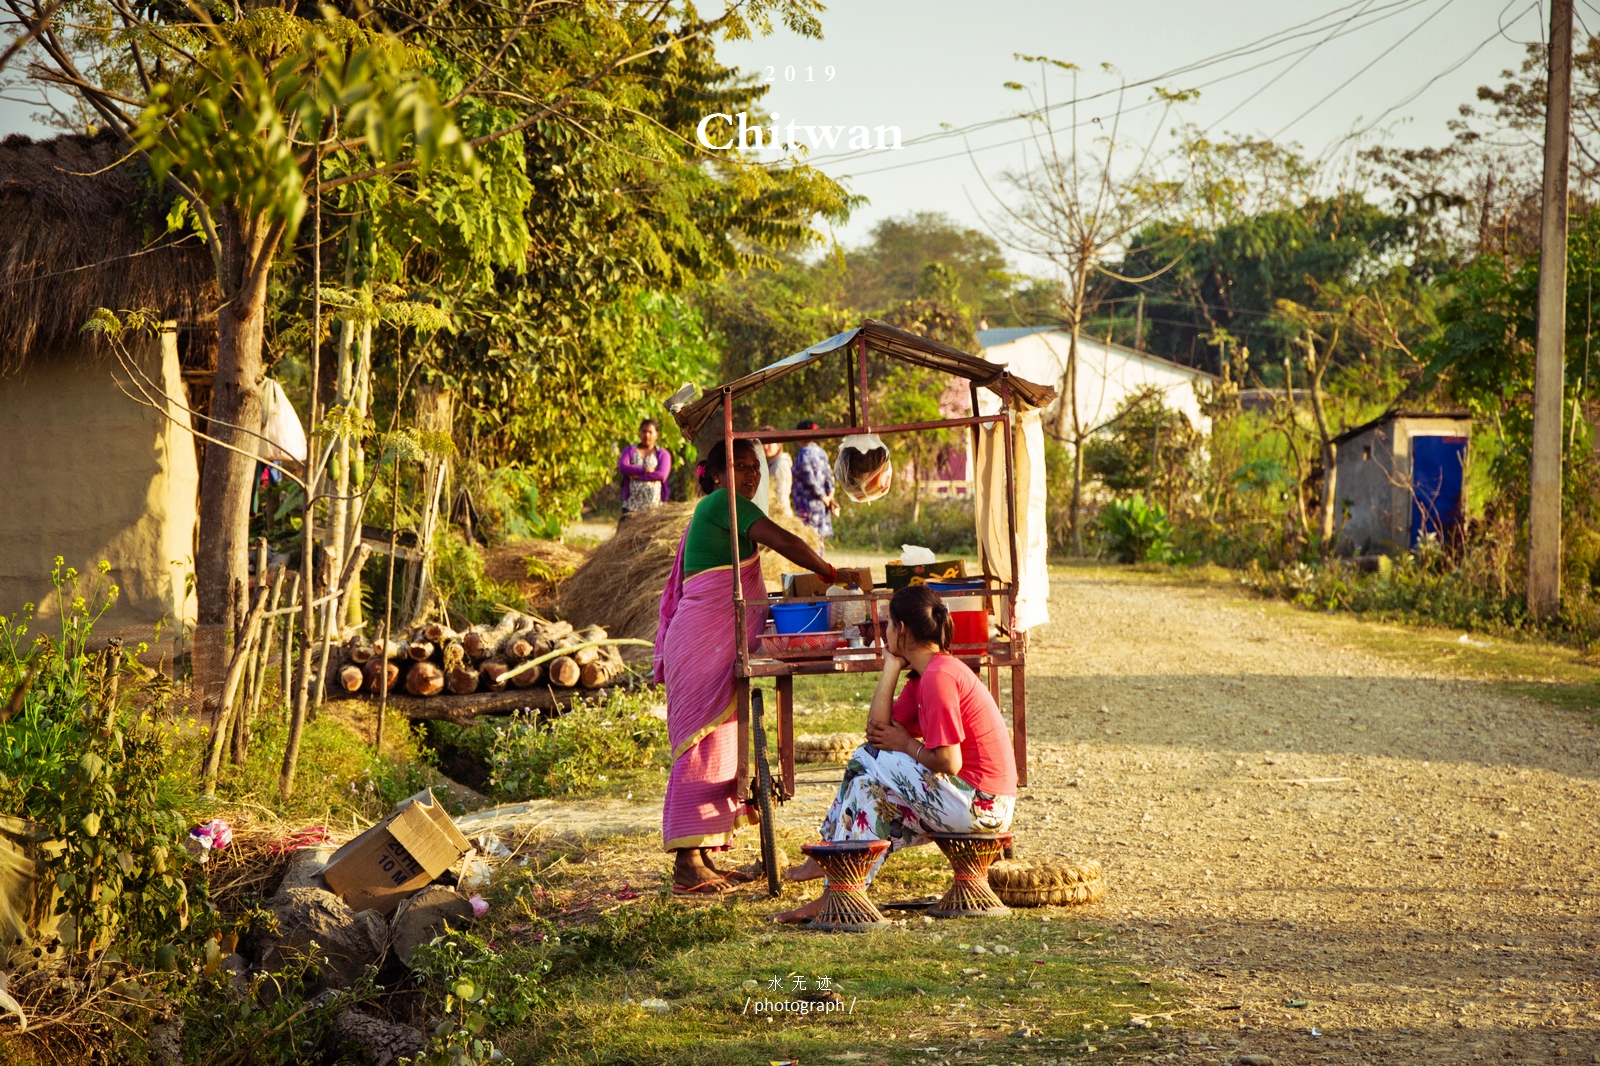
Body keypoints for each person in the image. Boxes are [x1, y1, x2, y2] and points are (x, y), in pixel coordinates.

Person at [655, 438, 838, 894]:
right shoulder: (724, 504)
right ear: (717, 474)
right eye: (740, 466)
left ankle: (701, 857)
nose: (751, 475)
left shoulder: (728, 506)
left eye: (755, 467)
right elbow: (785, 541)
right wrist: (834, 573)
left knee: (720, 744)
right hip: (702, 643)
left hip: (714, 642)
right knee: (700, 747)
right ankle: (685, 866)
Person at [774, 585, 1018, 922]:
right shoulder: (926, 675)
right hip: (968, 800)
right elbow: (877, 728)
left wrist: (905, 744)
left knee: (868, 757)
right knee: (868, 794)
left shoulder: (940, 677)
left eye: (888, 624)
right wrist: (890, 667)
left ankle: (828, 848)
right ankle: (841, 891)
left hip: (982, 805)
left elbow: (949, 761)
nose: (884, 631)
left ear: (901, 630)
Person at [790, 420, 838, 542]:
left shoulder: (803, 454)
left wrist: (822, 497)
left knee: (808, 537)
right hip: (822, 504)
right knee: (818, 538)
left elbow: (809, 478)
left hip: (807, 503)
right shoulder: (821, 452)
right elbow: (829, 476)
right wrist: (829, 496)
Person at [618, 419, 671, 519]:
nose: (647, 435)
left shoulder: (663, 454)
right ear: (639, 433)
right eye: (644, 431)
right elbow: (623, 467)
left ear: (657, 435)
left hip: (653, 508)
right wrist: (644, 469)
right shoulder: (630, 450)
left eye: (650, 432)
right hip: (631, 506)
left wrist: (638, 477)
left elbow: (662, 474)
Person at [761, 426, 793, 518]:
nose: (765, 447)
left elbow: (780, 495)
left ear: (778, 443)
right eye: (762, 443)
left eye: (769, 442)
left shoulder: (780, 465)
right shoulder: (772, 464)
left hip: (781, 516)